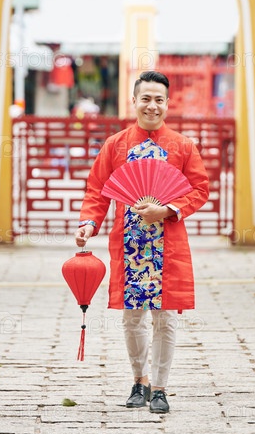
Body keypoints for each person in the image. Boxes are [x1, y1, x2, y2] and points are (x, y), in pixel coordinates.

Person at [75, 71, 209, 414]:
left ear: (167, 103)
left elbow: (200, 189)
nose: (152, 106)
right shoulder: (115, 145)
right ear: (133, 101)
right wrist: (88, 224)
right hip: (130, 246)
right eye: (145, 98)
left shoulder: (183, 146)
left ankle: (161, 388)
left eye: (159, 99)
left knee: (165, 318)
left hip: (168, 245)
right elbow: (97, 190)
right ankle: (140, 381)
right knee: (132, 318)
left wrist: (167, 209)